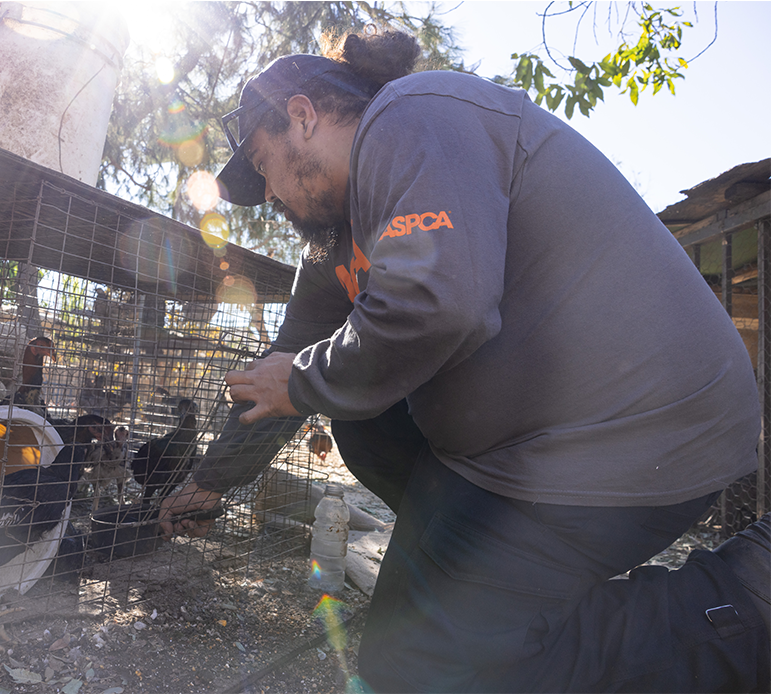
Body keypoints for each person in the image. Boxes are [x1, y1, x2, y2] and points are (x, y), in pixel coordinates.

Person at [157, 28, 771, 692]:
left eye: (263, 166)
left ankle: (744, 599)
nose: (270, 198)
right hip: (513, 450)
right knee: (393, 646)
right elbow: (280, 374)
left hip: (640, 428)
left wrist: (303, 380)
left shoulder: (411, 114)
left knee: (433, 665)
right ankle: (507, 594)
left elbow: (441, 305)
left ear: (301, 117)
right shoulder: (336, 248)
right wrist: (209, 481)